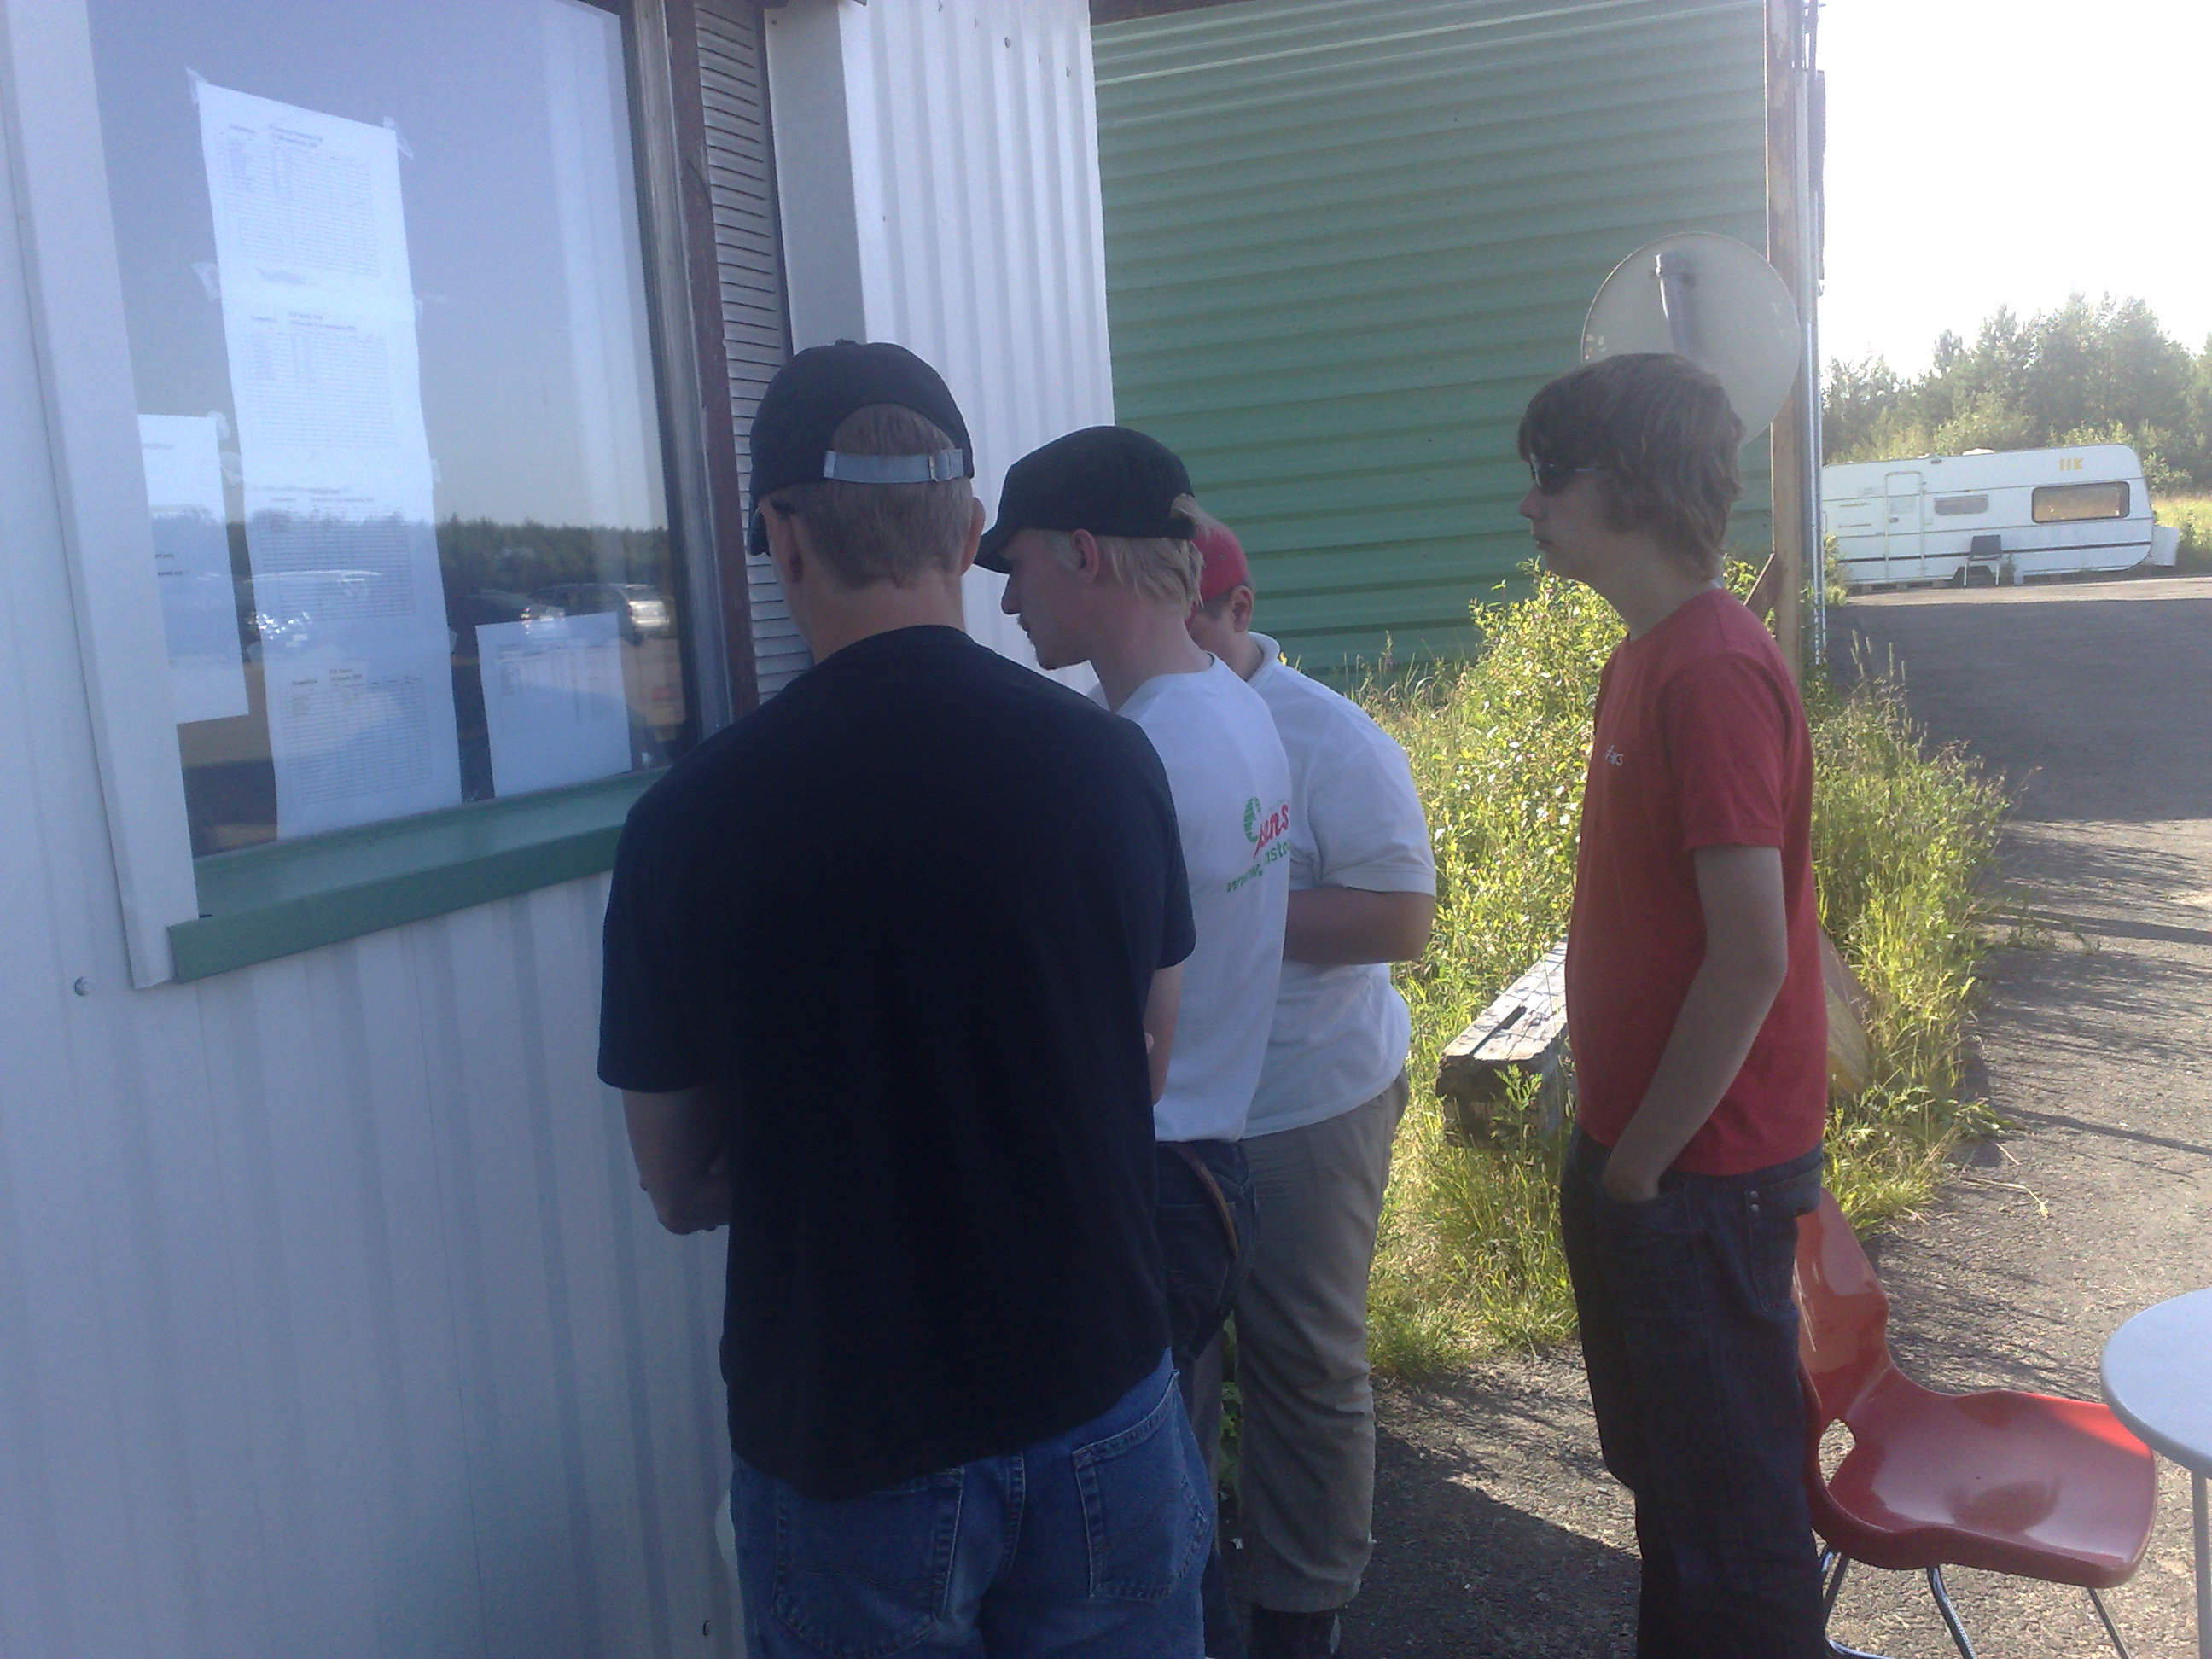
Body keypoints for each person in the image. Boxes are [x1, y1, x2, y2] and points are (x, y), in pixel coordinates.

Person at [599, 342, 1210, 1659]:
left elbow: (679, 1182)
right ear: (969, 528)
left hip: (850, 1444)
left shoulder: (685, 826)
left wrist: (840, 1157)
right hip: (1102, 1404)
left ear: (784, 539)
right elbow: (1146, 1067)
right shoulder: (1112, 767)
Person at [1521, 352, 1829, 1656]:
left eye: (1550, 476)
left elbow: (1749, 956)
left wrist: (1640, 1165)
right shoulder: (1646, 657)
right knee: (1678, 1502)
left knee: (1735, 1540)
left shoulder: (1709, 668)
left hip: (1698, 1175)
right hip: (1646, 1159)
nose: (1529, 504)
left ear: (1629, 483)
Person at [982, 427, 1292, 1659]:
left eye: (1015, 566)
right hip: (1214, 1169)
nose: (1006, 600)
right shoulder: (1236, 706)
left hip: (1146, 1192)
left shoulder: (1137, 757)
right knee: (1167, 1511)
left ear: (1085, 553)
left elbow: (1091, 1033)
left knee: (1130, 1561)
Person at [1183, 525, 1435, 1659]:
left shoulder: (1329, 736)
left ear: (1240, 611)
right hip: (1170, 1119)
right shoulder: (1118, 727)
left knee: (1306, 1368)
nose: (1167, 643)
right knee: (1168, 1375)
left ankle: (1303, 1613)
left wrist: (1230, 911)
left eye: (1190, 617)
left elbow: (1402, 919)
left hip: (1307, 1107)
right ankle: (1182, 1600)